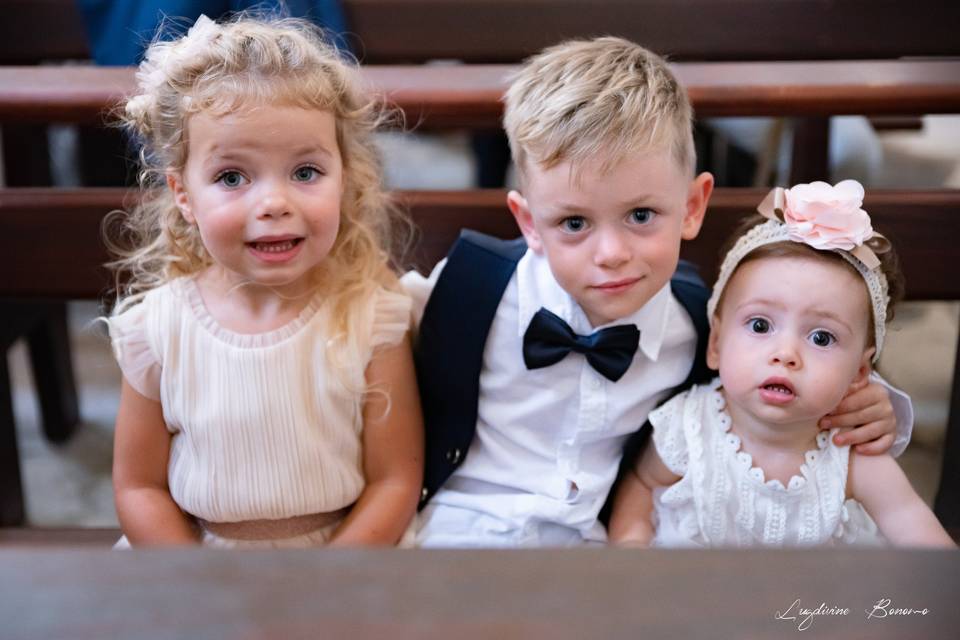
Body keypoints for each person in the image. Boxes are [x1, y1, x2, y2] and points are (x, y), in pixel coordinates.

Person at [403, 37, 913, 548]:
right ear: (529, 222)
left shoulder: (698, 322)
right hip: (453, 536)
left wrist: (868, 403)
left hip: (593, 552)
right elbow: (370, 335)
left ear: (692, 207)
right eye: (574, 222)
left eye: (641, 215)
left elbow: (777, 377)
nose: (611, 253)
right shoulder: (469, 288)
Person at [105, 15, 423, 548]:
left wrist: (327, 589)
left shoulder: (373, 317)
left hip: (345, 559)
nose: (274, 204)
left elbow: (394, 480)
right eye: (232, 177)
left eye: (305, 172)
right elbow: (139, 487)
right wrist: (201, 590)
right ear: (183, 193)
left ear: (344, 175)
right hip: (202, 569)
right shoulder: (155, 330)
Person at [608, 180, 954, 548]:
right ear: (716, 343)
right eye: (760, 325)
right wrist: (632, 550)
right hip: (694, 598)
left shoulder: (852, 455)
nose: (785, 353)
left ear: (859, 375)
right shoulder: (688, 427)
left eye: (821, 337)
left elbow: (913, 526)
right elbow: (643, 484)